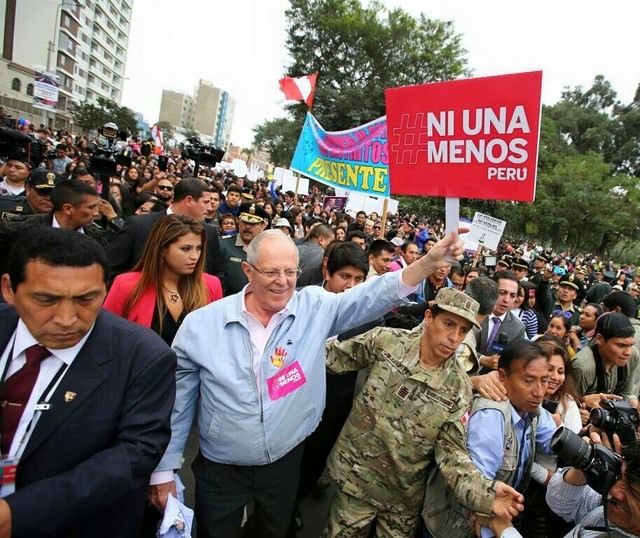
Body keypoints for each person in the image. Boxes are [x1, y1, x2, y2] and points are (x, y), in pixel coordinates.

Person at [149, 228, 513, 537]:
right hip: (221, 467)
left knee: (272, 531)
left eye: (290, 272)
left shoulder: (314, 308)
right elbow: (179, 405)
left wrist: (428, 263)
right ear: (247, 270)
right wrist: (165, 470)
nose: (282, 282)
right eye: (271, 271)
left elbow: (370, 296)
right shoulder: (201, 326)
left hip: (283, 462)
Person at [0, 227, 176, 537]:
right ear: (9, 289)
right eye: (46, 299)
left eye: (86, 299)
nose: (67, 318)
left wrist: (18, 512)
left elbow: (135, 453)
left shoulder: (143, 355)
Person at [325, 288, 524, 537]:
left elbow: (452, 454)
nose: (454, 337)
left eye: (463, 331)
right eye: (449, 324)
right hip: (355, 482)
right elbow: (330, 358)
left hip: (402, 500)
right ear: (429, 317)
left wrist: (486, 494)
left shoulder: (458, 387)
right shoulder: (387, 342)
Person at [460, 341, 559, 538]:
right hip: (465, 526)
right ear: (502, 377)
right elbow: (478, 490)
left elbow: (554, 442)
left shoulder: (531, 408)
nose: (539, 392)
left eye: (544, 381)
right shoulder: (491, 415)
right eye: (528, 380)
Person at [475, 436, 640, 538]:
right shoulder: (613, 513)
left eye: (633, 492)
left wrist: (501, 526)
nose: (615, 492)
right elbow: (559, 504)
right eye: (620, 476)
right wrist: (584, 469)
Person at [103, 214, 222, 345]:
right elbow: (106, 336)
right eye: (186, 249)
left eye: (198, 248)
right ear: (162, 249)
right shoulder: (127, 285)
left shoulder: (211, 285)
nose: (194, 256)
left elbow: (216, 340)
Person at [519, 336, 582, 538]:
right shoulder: (517, 402)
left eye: (561, 371)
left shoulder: (568, 406)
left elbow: (571, 458)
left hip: (546, 500)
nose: (555, 377)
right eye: (549, 370)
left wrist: (560, 428)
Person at [106, 178, 224, 282]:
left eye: (197, 249)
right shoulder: (139, 225)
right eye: (206, 202)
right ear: (189, 201)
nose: (209, 208)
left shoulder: (209, 232)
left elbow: (216, 274)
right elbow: (111, 268)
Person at [571, 311, 640, 410]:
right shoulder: (583, 366)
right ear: (599, 339)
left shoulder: (632, 355)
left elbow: (627, 393)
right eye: (621, 345)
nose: (628, 352)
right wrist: (583, 400)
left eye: (631, 345)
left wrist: (636, 408)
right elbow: (567, 404)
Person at [476, 271, 527, 372]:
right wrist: (482, 360)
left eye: (512, 296)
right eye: (502, 293)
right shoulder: (475, 313)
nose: (506, 300)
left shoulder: (518, 328)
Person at [219, 202, 270, 296]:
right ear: (238, 221)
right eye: (245, 222)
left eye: (253, 224)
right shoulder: (223, 245)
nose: (248, 227)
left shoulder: (268, 251)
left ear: (263, 226)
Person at [0, 169, 64, 217]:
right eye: (43, 192)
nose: (49, 198)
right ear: (28, 190)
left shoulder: (67, 214)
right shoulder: (4, 205)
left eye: (55, 194)